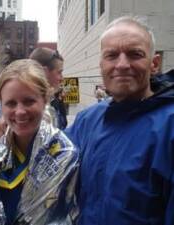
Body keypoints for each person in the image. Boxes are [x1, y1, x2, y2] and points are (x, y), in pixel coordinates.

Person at [66, 16, 174, 225]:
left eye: (135, 54)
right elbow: (50, 164)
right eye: (112, 55)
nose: (122, 64)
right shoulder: (87, 121)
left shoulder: (169, 127)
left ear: (154, 64)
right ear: (101, 64)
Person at [0, 59, 79, 225]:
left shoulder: (64, 155)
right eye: (11, 103)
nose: (20, 112)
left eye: (29, 101)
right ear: (1, 105)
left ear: (45, 100)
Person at [0, 47, 65, 140]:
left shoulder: (56, 103)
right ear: (44, 71)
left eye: (29, 102)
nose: (20, 111)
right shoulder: (5, 127)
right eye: (59, 72)